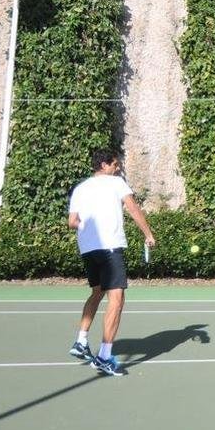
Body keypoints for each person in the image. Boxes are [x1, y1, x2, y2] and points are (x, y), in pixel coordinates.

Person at [67, 149, 156, 377]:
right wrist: (148, 233)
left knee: (97, 293)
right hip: (109, 248)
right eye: (115, 164)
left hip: (88, 250)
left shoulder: (80, 188)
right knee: (116, 299)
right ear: (105, 165)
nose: (117, 168)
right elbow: (133, 208)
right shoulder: (117, 183)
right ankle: (104, 357)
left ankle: (81, 340)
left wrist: (88, 229)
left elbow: (72, 222)